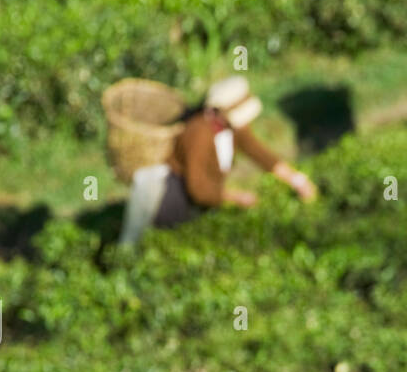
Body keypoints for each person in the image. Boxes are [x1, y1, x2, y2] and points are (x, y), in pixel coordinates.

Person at [118, 75, 317, 245]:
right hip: (173, 196)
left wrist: (297, 180)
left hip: (204, 195)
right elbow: (198, 188)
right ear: (217, 112)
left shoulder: (230, 126)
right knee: (169, 240)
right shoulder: (198, 133)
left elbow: (259, 154)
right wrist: (237, 198)